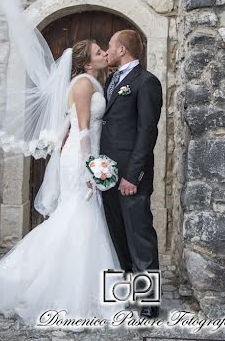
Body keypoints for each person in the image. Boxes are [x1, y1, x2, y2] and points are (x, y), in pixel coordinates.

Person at [0, 40, 127, 327]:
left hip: (85, 156)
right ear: (87, 62)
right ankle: (65, 290)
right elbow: (81, 130)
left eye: (103, 49)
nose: (105, 53)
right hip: (80, 159)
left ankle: (85, 287)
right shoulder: (82, 84)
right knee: (79, 216)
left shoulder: (91, 80)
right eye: (98, 52)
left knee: (81, 217)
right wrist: (91, 168)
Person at [100, 29, 163, 318]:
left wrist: (132, 175)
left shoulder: (146, 82)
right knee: (118, 233)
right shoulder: (112, 80)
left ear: (122, 49)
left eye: (110, 46)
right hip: (108, 174)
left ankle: (149, 301)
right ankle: (127, 290)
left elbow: (147, 131)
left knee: (139, 235)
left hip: (129, 176)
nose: (107, 50)